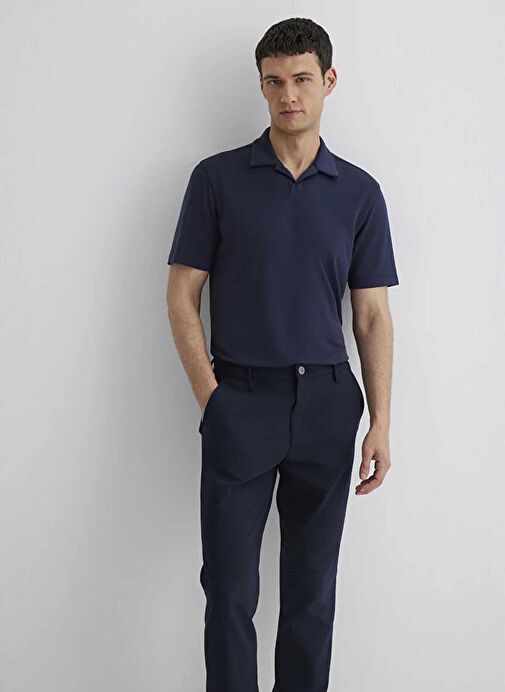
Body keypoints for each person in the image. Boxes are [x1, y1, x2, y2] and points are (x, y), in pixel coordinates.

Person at [166, 17, 399, 692]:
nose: (287, 95)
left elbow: (371, 314)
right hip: (242, 400)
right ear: (261, 86)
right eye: (273, 82)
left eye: (301, 79)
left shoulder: (358, 192)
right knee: (229, 589)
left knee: (311, 593)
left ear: (328, 81)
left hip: (327, 403)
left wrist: (380, 421)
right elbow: (181, 297)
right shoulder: (216, 180)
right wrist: (213, 398)